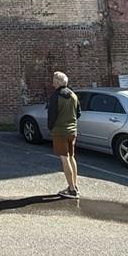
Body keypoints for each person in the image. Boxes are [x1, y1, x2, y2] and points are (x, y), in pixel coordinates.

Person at [47, 71, 81, 199]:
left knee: (64, 158)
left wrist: (51, 128)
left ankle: (72, 190)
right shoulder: (73, 95)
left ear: (57, 82)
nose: (52, 83)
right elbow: (78, 113)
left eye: (53, 81)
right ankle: (74, 185)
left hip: (60, 131)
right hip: (72, 131)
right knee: (71, 157)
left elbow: (52, 116)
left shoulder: (55, 96)